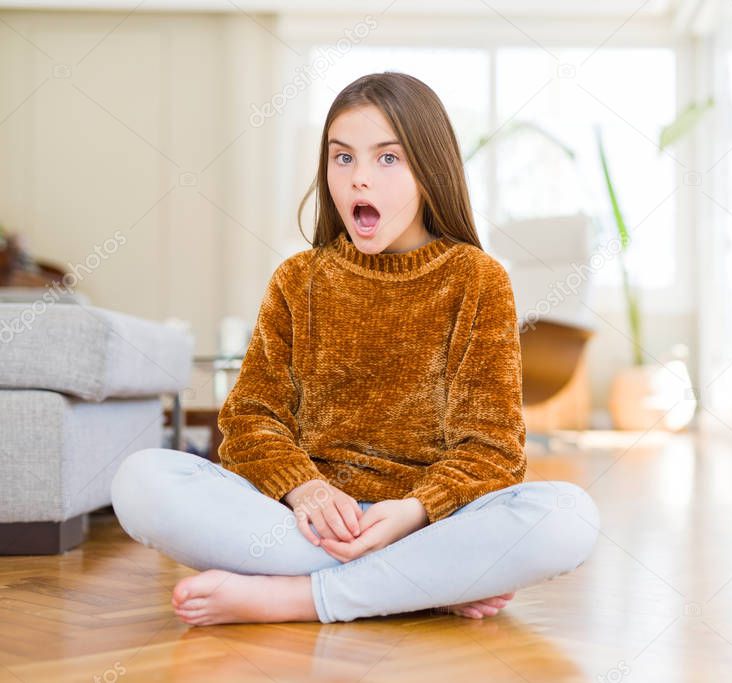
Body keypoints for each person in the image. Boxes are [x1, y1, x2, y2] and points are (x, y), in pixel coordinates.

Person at [110, 71, 601, 626]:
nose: (359, 180)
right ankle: (420, 585)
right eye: (342, 158)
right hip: (306, 526)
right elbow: (250, 421)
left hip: (426, 523)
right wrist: (306, 491)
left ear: (428, 168)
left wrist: (414, 513)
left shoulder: (478, 280)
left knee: (568, 517)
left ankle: (297, 599)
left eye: (387, 159)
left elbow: (492, 449)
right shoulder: (298, 280)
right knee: (140, 480)